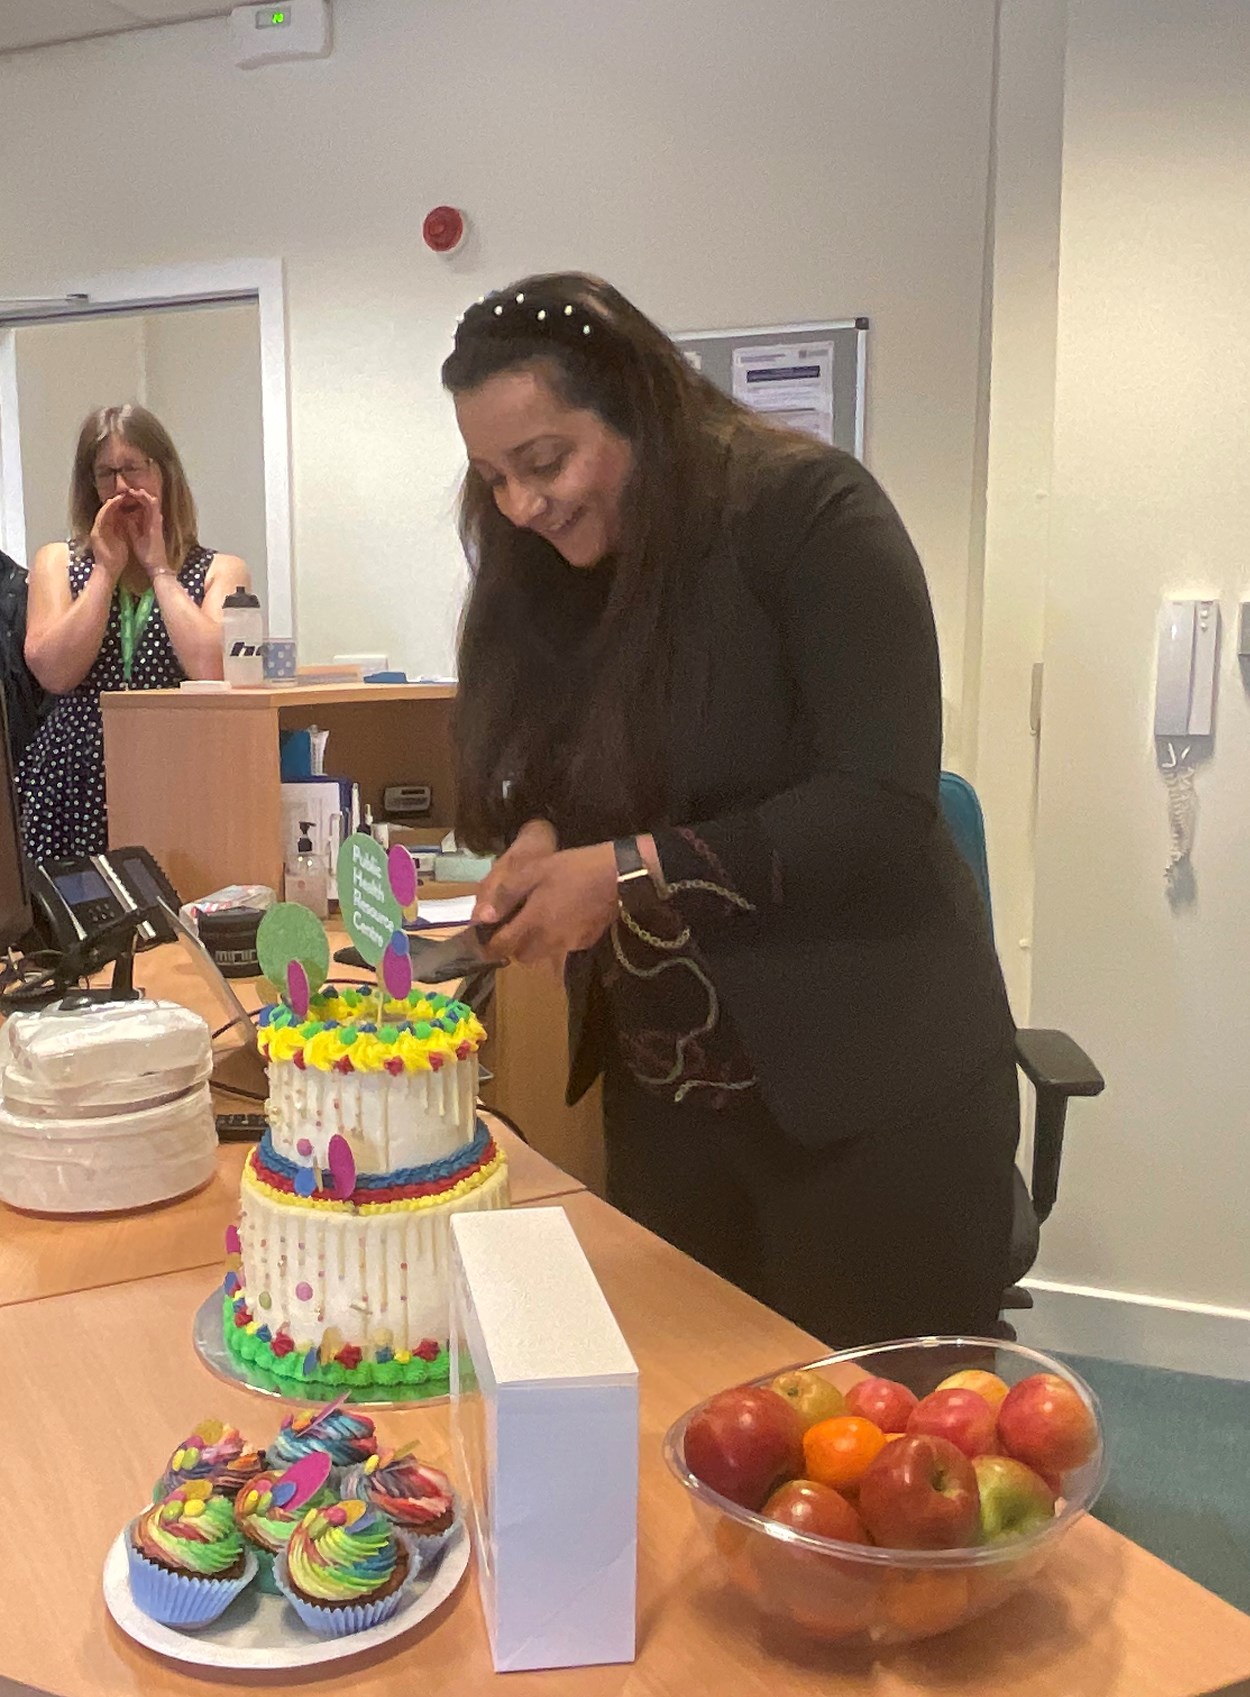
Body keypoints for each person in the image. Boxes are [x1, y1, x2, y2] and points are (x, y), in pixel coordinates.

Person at [443, 273, 1019, 1348]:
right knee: (698, 1433)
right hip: (670, 1108)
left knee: (877, 1467)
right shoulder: (561, 561)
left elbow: (878, 801)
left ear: (637, 407)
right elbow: (569, 769)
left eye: (545, 461)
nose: (522, 505)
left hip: (867, 1102)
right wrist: (539, 833)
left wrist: (617, 873)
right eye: (493, 477)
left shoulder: (807, 512)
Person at [19, 404, 248, 861]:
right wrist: (106, 570)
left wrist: (159, 567)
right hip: (73, 779)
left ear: (164, 473)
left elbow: (214, 667)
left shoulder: (221, 570)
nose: (121, 488)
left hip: (178, 771)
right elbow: (54, 672)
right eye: (106, 474)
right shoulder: (57, 563)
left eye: (133, 469)